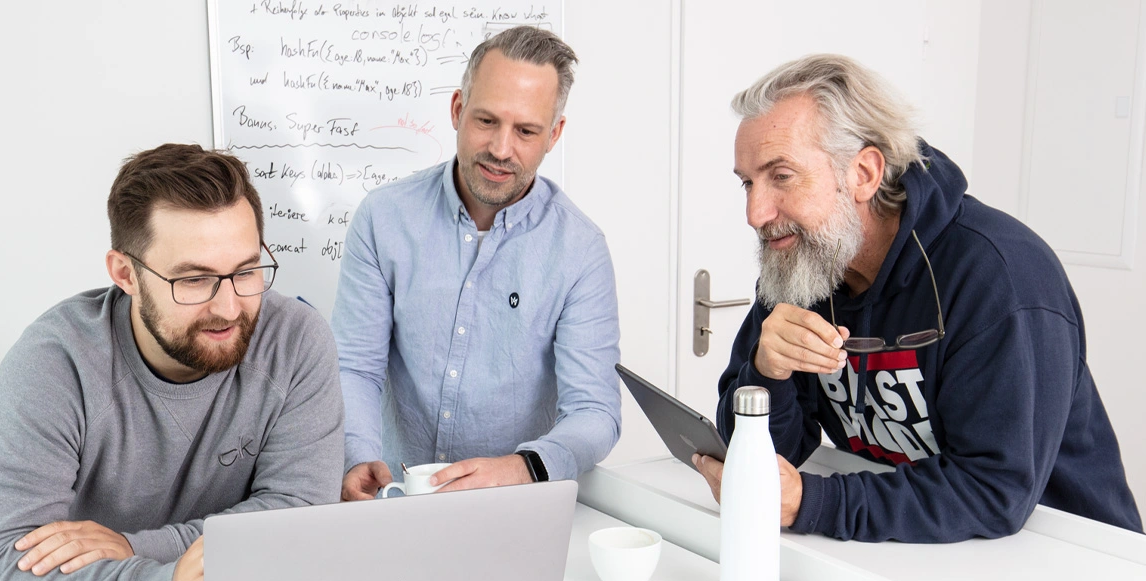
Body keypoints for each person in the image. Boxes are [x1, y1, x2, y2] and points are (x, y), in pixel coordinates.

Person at [698, 54, 1141, 542]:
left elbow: (995, 491)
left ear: (864, 174)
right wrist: (768, 373)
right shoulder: (802, 266)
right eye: (747, 182)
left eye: (781, 176)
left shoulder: (1001, 276)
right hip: (924, 555)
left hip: (1076, 564)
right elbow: (774, 457)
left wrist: (815, 502)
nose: (755, 212)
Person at [0, 144, 344, 581]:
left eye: (246, 271)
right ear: (126, 274)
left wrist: (135, 548)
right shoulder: (54, 363)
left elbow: (300, 519)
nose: (228, 307)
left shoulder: (296, 340)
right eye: (194, 280)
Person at [332, 26, 621, 499]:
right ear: (457, 110)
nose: (501, 149)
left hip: (514, 507)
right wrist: (359, 454)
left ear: (554, 135)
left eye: (526, 130)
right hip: (393, 499)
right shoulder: (383, 218)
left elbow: (594, 410)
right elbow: (354, 367)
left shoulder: (581, 249)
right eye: (486, 121)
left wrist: (522, 467)